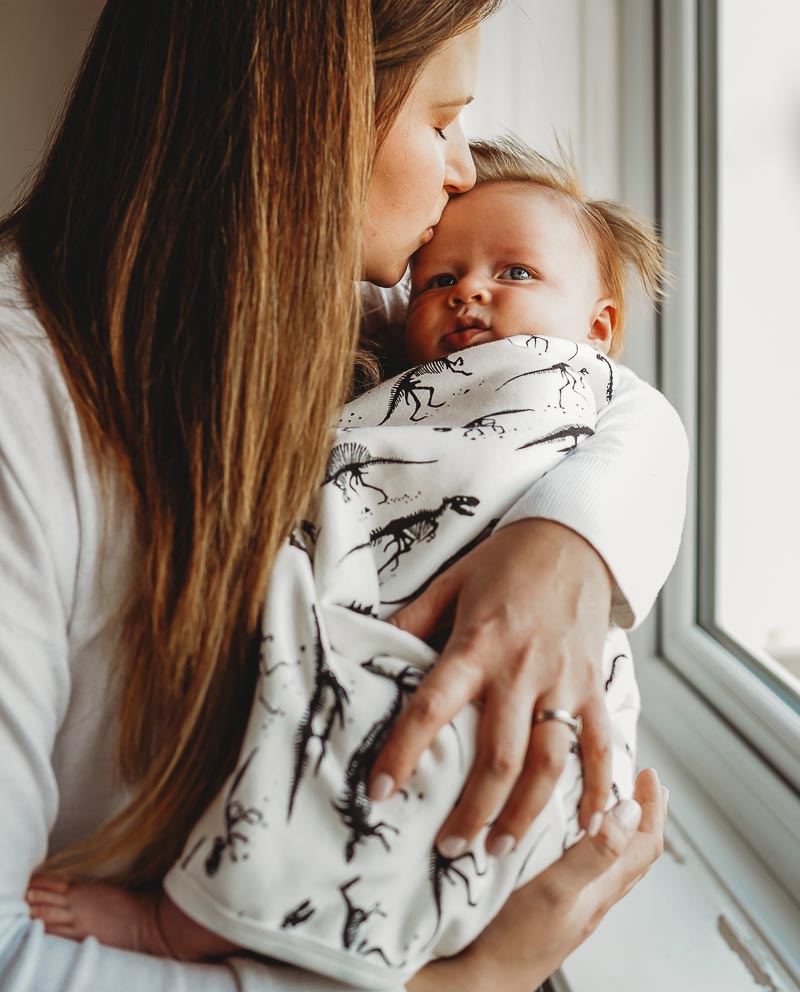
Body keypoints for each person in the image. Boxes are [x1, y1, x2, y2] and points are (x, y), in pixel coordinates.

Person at [0, 0, 682, 992]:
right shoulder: (28, 408)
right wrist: (462, 989)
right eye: (443, 122)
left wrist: (563, 545)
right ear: (312, 117)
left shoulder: (327, 308)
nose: (465, 176)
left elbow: (611, 404)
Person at [26, 139, 665, 989]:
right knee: (313, 699)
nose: (470, 291)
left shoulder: (576, 386)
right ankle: (206, 916)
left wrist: (570, 539)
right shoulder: (374, 351)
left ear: (599, 328)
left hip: (497, 672)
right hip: (392, 631)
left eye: (514, 274)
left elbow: (642, 419)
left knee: (401, 740)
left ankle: (182, 921)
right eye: (440, 280)